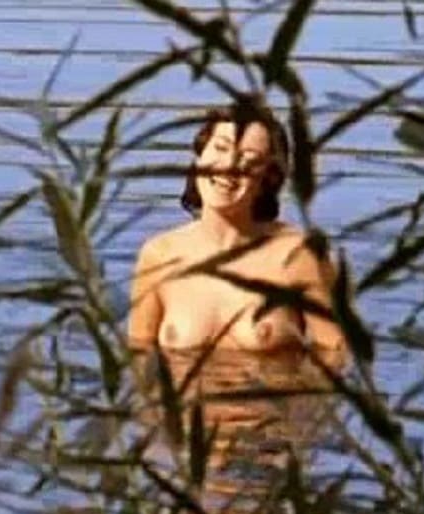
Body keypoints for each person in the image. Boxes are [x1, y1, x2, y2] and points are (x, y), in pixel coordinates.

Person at [127, 102, 348, 363]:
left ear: (268, 179)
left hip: (271, 389)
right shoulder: (159, 255)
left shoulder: (300, 255)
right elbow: (139, 360)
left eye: (248, 158)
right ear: (199, 157)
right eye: (220, 148)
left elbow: (338, 356)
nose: (228, 166)